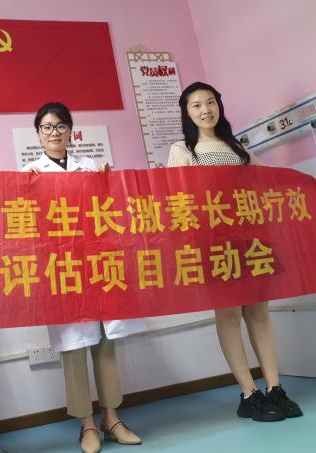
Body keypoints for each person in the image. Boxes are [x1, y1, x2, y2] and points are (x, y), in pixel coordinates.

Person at [167, 81, 303, 422]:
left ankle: (275, 388)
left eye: (210, 102)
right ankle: (248, 393)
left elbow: (265, 182)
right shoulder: (182, 150)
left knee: (259, 313)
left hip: (252, 239)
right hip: (215, 243)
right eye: (197, 105)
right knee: (228, 315)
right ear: (187, 113)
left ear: (219, 105)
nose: (205, 110)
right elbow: (177, 198)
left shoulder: (237, 147)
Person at [22, 102, 146, 453]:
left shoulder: (91, 166)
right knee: (74, 346)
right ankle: (87, 424)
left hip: (97, 262)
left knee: (105, 341)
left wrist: (107, 181)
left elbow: (111, 211)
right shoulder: (29, 172)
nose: (54, 132)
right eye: (47, 127)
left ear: (71, 131)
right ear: (38, 134)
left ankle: (112, 418)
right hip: (62, 266)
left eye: (61, 126)